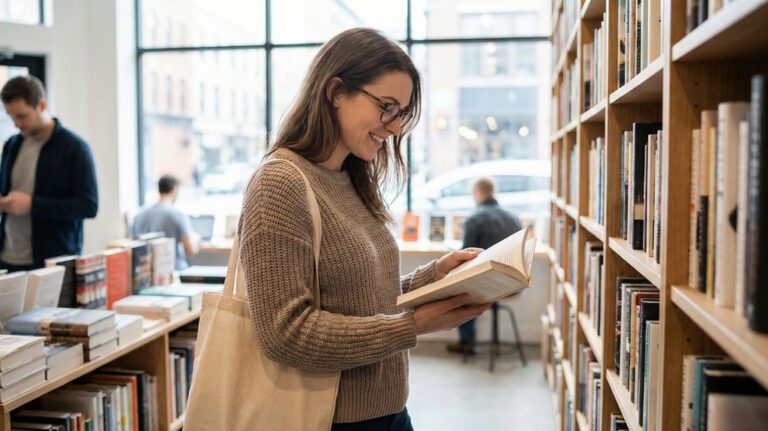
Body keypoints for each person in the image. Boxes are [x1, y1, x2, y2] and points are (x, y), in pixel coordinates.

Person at [239, 28, 490, 431]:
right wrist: (414, 326)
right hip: (331, 420)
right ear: (336, 91)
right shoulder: (280, 183)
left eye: (402, 113)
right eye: (386, 106)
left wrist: (435, 276)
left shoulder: (350, 178)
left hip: (390, 412)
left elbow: (363, 299)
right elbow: (286, 334)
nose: (393, 127)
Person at [0, 75, 98, 271]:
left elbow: (88, 206)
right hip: (8, 257)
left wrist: (33, 205)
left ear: (42, 105)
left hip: (52, 262)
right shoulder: (11, 145)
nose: (16, 124)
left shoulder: (74, 148)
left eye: (22, 116)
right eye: (11, 116)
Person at [446, 178, 523, 355]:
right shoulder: (513, 217)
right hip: (515, 285)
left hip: (489, 286)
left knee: (460, 291)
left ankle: (466, 342)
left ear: (478, 193)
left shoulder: (474, 218)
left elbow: (466, 257)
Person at [132, 175, 198, 269]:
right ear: (174, 190)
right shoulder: (177, 214)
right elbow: (190, 249)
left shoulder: (139, 215)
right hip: (173, 270)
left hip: (146, 272)